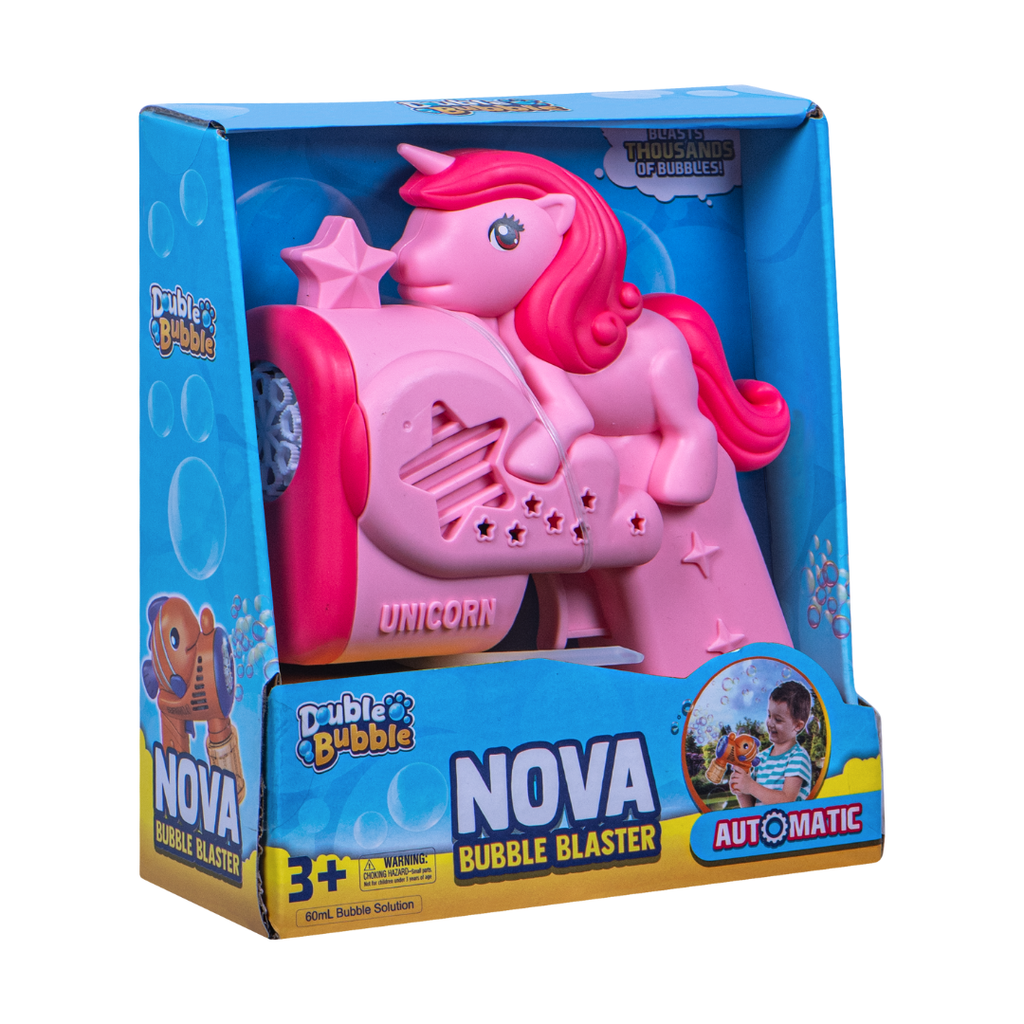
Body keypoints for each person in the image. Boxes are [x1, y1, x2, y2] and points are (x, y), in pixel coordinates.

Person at [731, 681, 812, 806]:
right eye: (769, 715)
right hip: (762, 819)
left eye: (778, 720)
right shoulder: (760, 758)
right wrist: (741, 790)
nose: (770, 723)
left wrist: (750, 786)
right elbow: (750, 807)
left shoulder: (798, 756)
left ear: (797, 726)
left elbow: (787, 800)